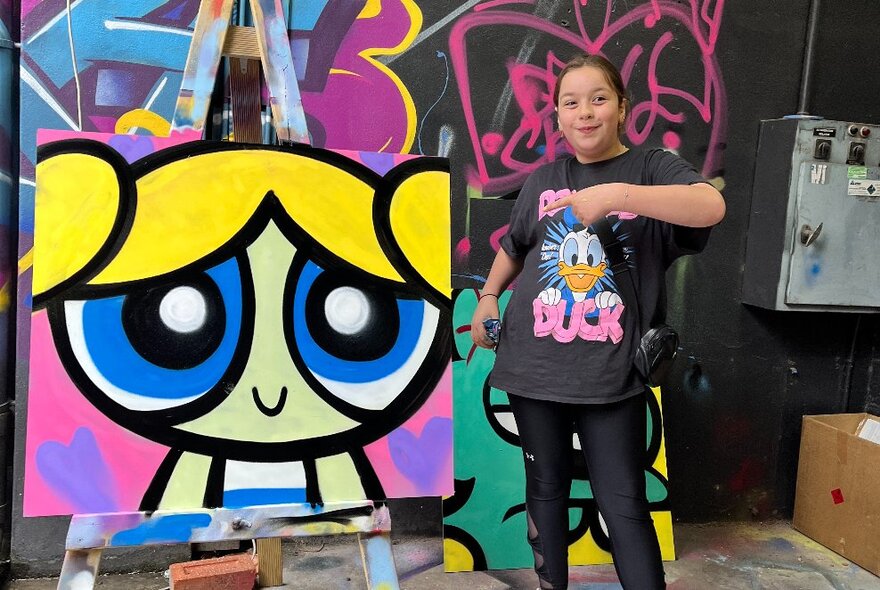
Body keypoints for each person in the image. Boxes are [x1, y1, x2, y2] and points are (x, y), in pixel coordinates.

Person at [470, 53, 725, 590]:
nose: (584, 112)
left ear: (621, 107)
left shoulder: (651, 167)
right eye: (571, 103)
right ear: (558, 117)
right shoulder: (544, 179)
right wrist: (488, 296)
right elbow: (516, 246)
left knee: (624, 502)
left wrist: (615, 196)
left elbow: (710, 207)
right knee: (545, 490)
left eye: (598, 99)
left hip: (611, 377)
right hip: (533, 367)